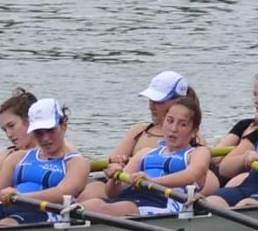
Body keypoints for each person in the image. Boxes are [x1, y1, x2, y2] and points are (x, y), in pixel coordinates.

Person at [90, 94, 209, 217]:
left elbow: (191, 176)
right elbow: (112, 194)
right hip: (130, 199)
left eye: (182, 124)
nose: (173, 129)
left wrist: (152, 181)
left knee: (104, 209)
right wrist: (114, 178)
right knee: (91, 204)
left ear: (194, 131)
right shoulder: (144, 153)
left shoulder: (199, 152)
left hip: (164, 203)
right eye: (170, 121)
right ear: (163, 122)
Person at [81, 69, 192, 203]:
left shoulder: (191, 136)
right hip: (128, 186)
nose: (151, 106)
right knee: (87, 194)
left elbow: (203, 175)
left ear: (179, 101)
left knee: (93, 201)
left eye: (158, 101)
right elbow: (109, 166)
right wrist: (117, 165)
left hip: (160, 196)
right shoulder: (139, 130)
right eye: (150, 100)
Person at [0, 98, 88, 227]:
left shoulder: (77, 162)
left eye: (50, 130)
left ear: (64, 125)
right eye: (39, 132)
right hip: (10, 206)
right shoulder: (17, 158)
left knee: (4, 225)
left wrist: (22, 196)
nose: (45, 138)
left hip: (44, 213)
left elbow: (63, 192)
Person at [0, 88, 37, 171]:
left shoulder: (56, 152)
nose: (9, 135)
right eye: (4, 130)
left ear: (29, 119)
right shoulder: (5, 156)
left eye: (11, 126)